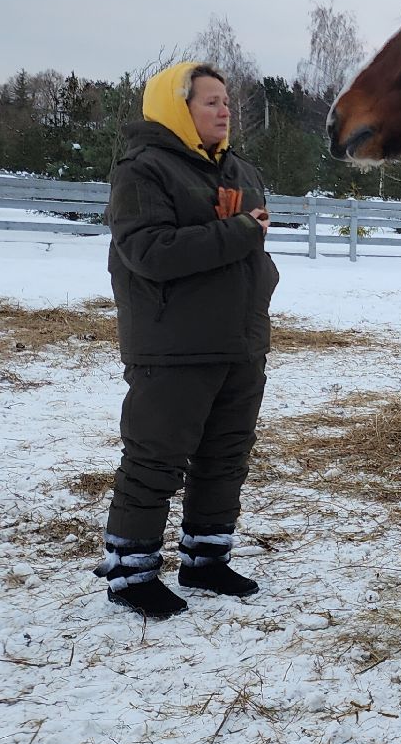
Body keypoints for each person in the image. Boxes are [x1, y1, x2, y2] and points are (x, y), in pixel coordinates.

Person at [94, 61, 278, 619]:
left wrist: (260, 271)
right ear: (178, 108)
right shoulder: (144, 172)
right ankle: (130, 573)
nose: (224, 111)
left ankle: (205, 559)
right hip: (172, 345)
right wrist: (240, 232)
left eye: (226, 101)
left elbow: (248, 248)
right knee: (156, 459)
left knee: (225, 457)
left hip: (238, 341)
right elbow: (149, 253)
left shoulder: (240, 170)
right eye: (210, 102)